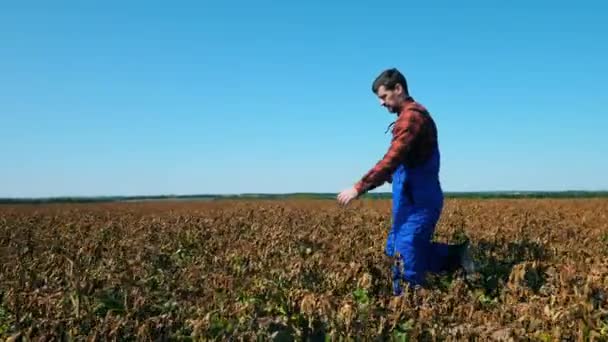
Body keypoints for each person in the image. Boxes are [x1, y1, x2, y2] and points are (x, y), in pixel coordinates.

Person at [337, 68, 475, 295]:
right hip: (407, 199)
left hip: (420, 200)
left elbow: (392, 158)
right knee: (394, 251)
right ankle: (455, 256)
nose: (381, 103)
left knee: (406, 253)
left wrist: (358, 187)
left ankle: (406, 309)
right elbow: (400, 163)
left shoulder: (412, 117)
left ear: (398, 89)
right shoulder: (406, 118)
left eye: (383, 97)